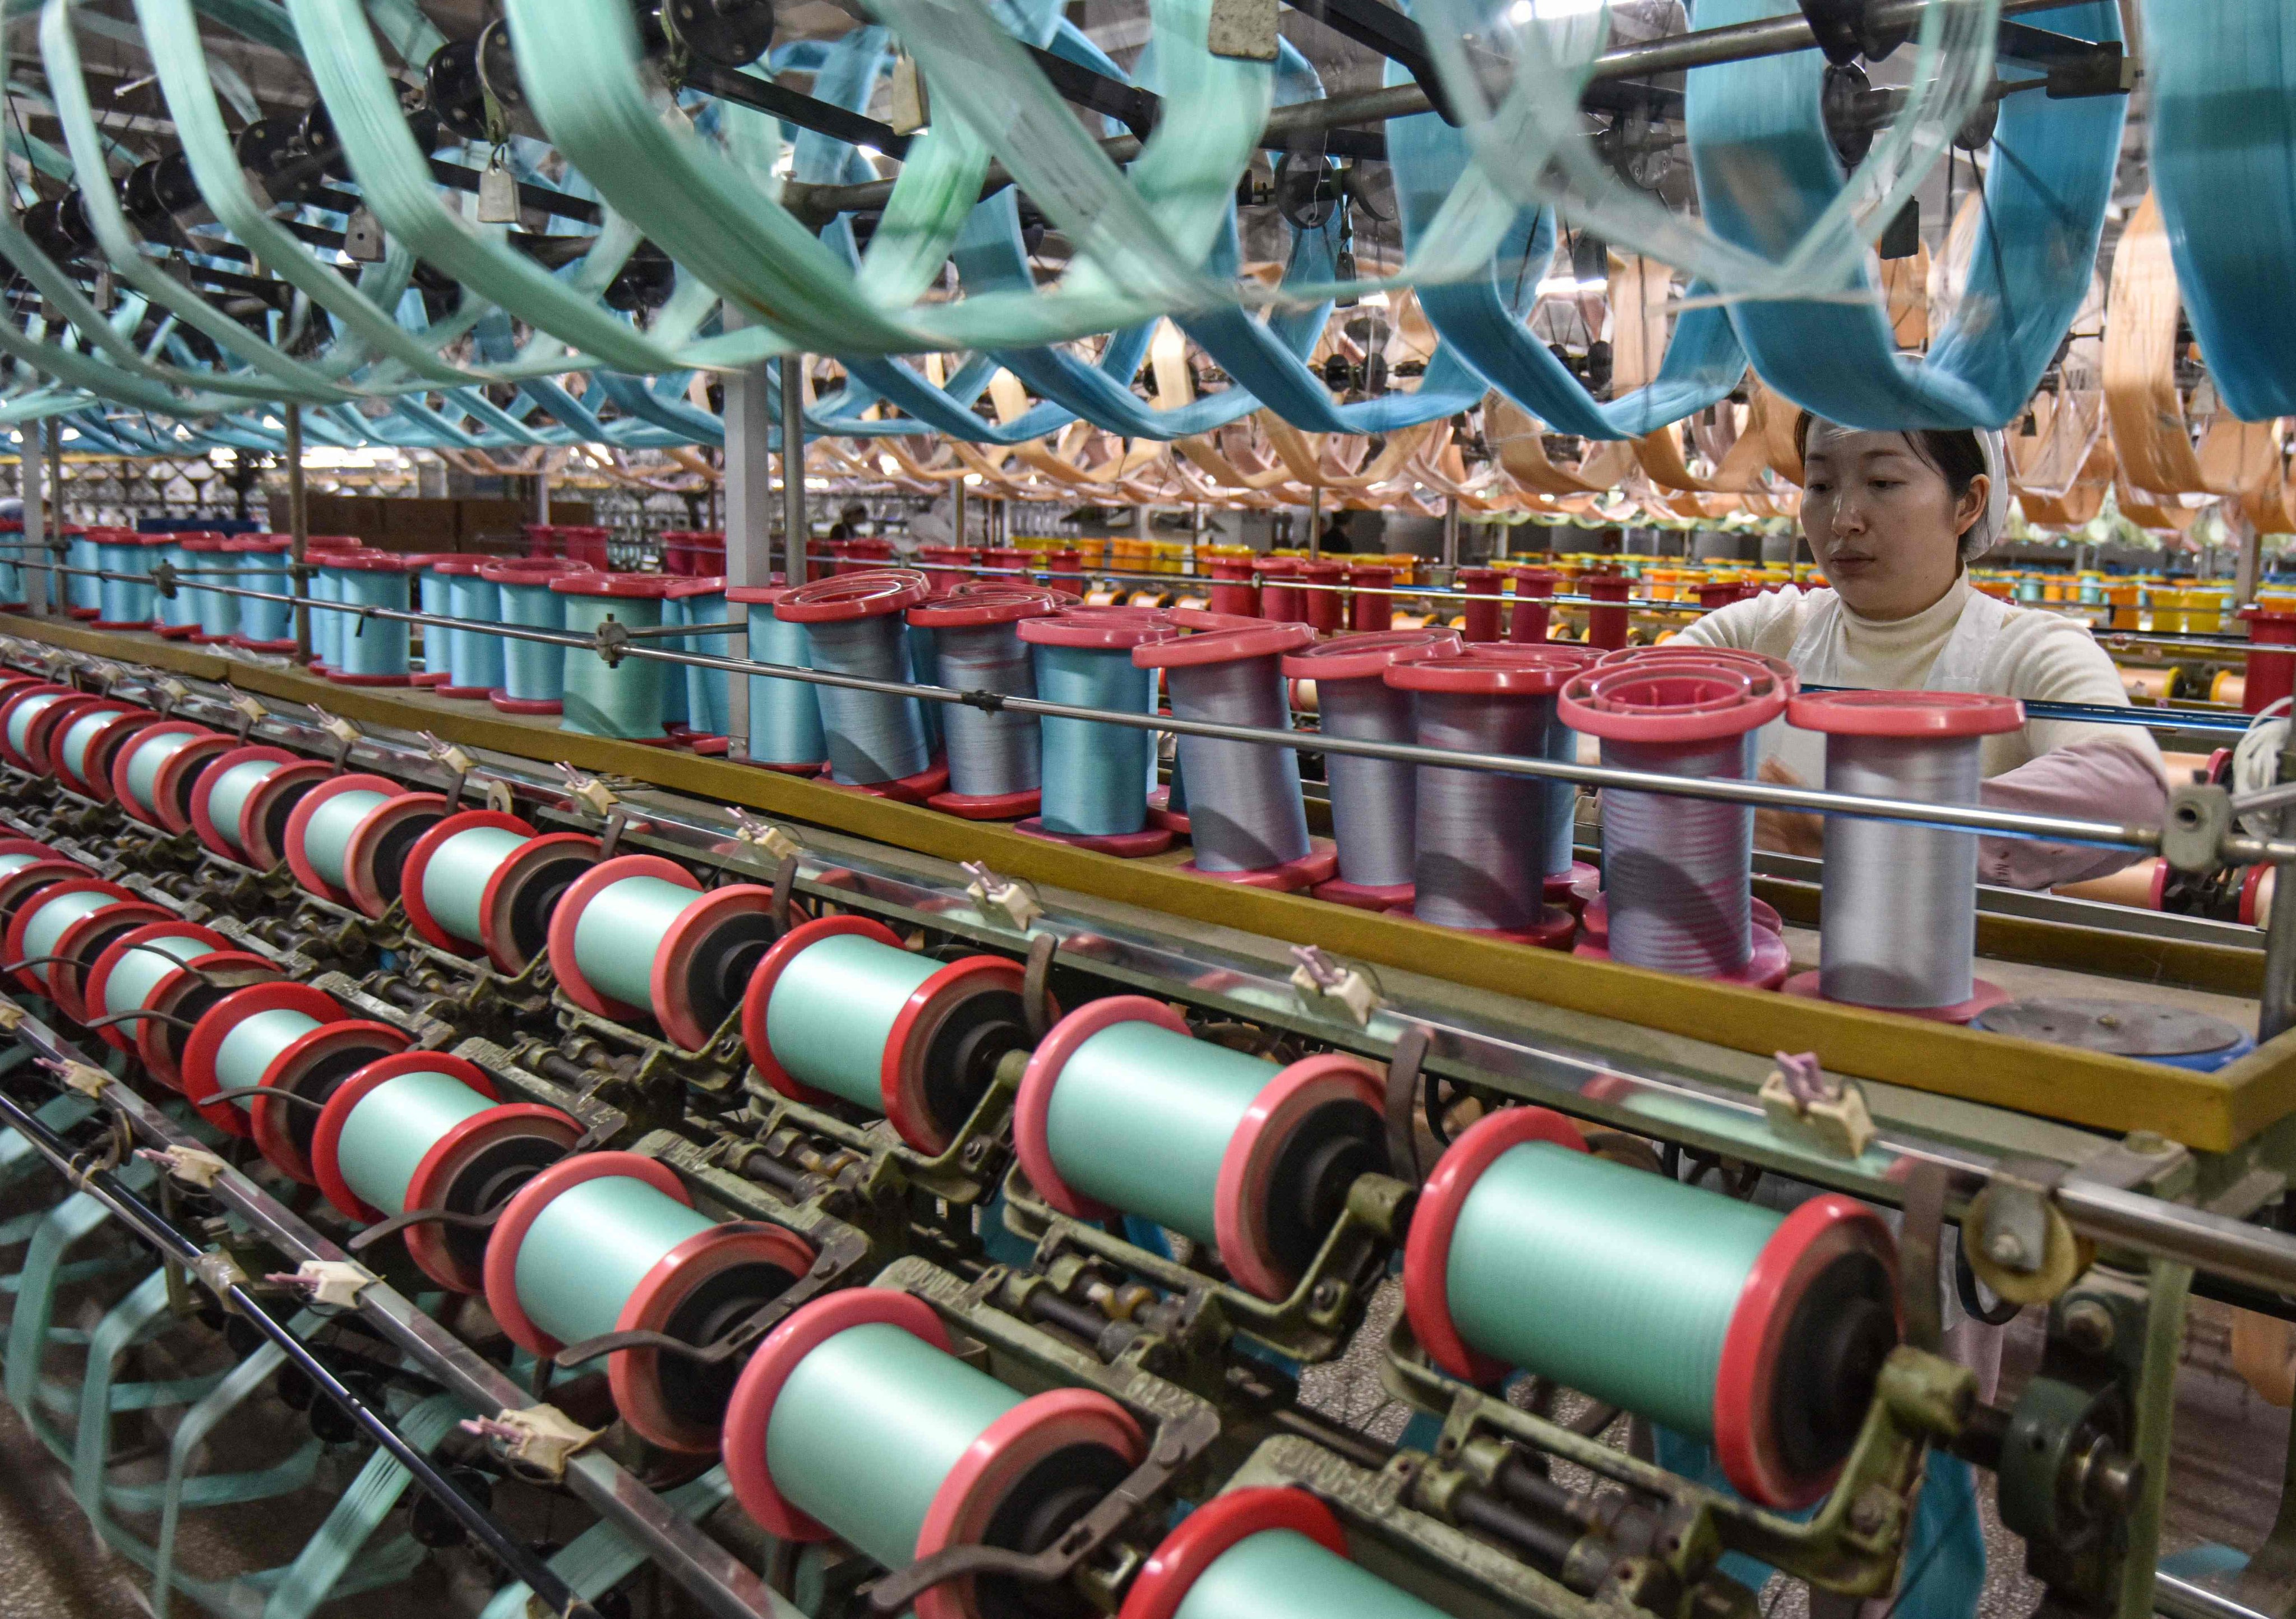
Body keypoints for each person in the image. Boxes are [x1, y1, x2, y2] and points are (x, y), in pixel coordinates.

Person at [1676, 414, 2167, 889]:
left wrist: (1868, 829)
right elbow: (1612, 709)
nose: (1843, 519)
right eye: (1821, 486)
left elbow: (2131, 792)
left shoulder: (2031, 650)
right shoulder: (1762, 632)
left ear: (1967, 504)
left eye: (1883, 482)